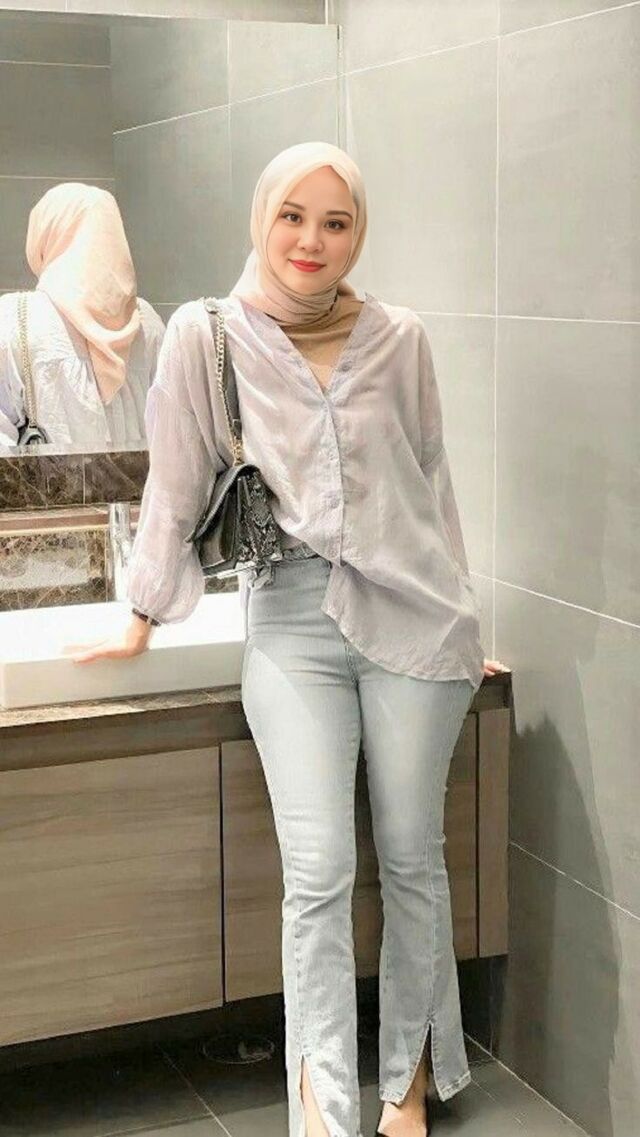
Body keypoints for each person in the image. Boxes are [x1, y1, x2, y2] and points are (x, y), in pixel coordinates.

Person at [71, 142, 509, 1137]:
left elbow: (430, 479)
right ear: (263, 219)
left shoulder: (400, 337)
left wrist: (461, 617)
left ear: (358, 235)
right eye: (293, 216)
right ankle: (322, 1101)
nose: (312, 240)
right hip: (291, 618)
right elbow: (176, 481)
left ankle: (405, 1083)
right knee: (318, 872)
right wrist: (142, 613)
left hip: (414, 617)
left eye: (336, 222)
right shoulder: (208, 335)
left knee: (414, 856)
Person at [0, 183, 165, 447]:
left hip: (50, 477)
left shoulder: (15, 318)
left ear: (44, 236)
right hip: (144, 476)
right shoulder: (146, 322)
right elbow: (173, 433)